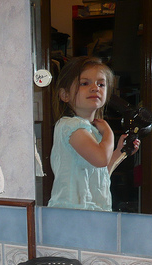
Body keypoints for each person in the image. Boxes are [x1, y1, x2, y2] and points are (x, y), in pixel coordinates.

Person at [47, 56, 140, 211]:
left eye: (101, 84)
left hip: (93, 211)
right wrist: (109, 133)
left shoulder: (91, 131)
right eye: (85, 83)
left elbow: (100, 174)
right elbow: (101, 158)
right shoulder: (71, 127)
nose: (95, 88)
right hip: (73, 213)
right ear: (65, 95)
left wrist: (119, 152)